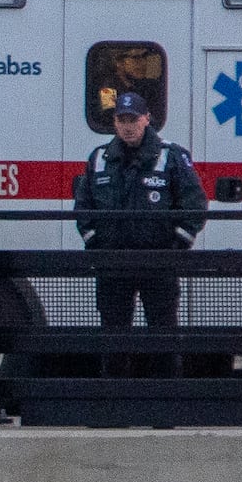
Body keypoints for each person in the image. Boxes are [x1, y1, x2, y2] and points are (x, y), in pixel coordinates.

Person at [71, 89, 208, 376]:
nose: (127, 125)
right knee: (114, 338)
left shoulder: (171, 157)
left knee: (163, 337)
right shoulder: (99, 159)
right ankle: (114, 406)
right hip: (113, 265)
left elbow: (195, 204)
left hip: (158, 263)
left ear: (147, 119)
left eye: (133, 118)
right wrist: (96, 244)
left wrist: (176, 247)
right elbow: (83, 207)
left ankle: (165, 407)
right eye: (121, 119)